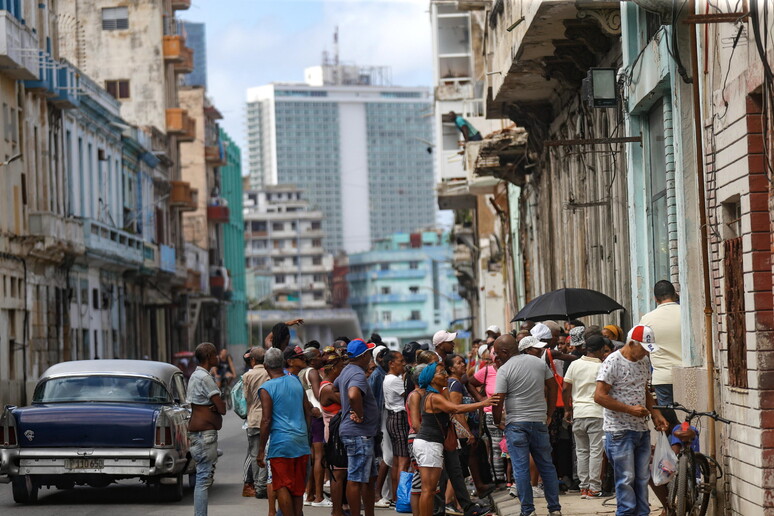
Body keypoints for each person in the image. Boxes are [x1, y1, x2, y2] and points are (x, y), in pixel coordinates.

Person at [594, 325, 669, 516]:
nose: (645, 353)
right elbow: (599, 396)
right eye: (643, 348)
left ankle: (642, 513)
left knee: (642, 477)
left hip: (641, 429)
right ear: (632, 343)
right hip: (619, 430)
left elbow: (644, 391)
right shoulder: (613, 362)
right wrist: (629, 409)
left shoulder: (643, 362)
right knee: (626, 479)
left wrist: (656, 414)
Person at [413, 362, 499, 516]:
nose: (445, 375)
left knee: (430, 489)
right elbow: (455, 408)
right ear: (431, 379)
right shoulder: (433, 397)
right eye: (441, 373)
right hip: (428, 445)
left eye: (445, 371)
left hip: (433, 444)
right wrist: (483, 403)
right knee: (429, 489)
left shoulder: (438, 393)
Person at [493, 335, 562, 516]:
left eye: (498, 353)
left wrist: (496, 420)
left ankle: (528, 511)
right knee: (546, 466)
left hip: (516, 424)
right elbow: (553, 386)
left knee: (521, 468)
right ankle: (554, 509)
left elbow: (498, 399)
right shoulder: (538, 363)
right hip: (539, 421)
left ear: (506, 351)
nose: (497, 356)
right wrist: (549, 413)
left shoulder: (504, 369)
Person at [257, 348, 312, 516]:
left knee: (281, 486)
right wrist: (306, 436)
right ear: (282, 363)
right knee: (297, 487)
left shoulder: (266, 388)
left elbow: (266, 420)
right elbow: (307, 411)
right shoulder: (295, 380)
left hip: (281, 445)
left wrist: (260, 451)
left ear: (266, 366)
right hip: (301, 442)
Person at [335, 338, 379, 516]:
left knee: (368, 478)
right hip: (358, 433)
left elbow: (333, 388)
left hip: (361, 433)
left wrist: (348, 406)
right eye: (368, 353)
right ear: (364, 355)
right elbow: (353, 395)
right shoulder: (357, 374)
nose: (370, 357)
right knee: (356, 479)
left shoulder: (347, 371)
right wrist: (357, 412)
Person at [562, 335, 608, 499]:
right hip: (596, 413)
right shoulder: (602, 366)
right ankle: (594, 488)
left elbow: (565, 388)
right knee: (596, 451)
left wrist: (568, 410)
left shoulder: (574, 364)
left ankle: (584, 487)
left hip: (579, 413)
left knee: (581, 452)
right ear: (601, 349)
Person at [445, 353, 494, 500]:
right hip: (462, 434)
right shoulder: (455, 384)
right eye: (459, 363)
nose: (463, 364)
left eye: (463, 361)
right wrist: (468, 433)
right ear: (451, 368)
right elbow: (456, 412)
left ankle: (461, 500)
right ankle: (451, 501)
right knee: (459, 468)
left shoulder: (460, 382)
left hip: (466, 432)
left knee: (465, 464)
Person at [187, 342, 226, 516]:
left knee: (201, 477)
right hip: (205, 436)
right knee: (203, 479)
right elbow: (222, 408)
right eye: (215, 354)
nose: (218, 357)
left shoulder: (195, 376)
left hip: (198, 436)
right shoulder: (205, 378)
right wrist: (216, 407)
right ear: (209, 356)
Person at [638, 280, 681, 431]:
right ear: (675, 295)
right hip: (687, 375)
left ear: (655, 299)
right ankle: (686, 446)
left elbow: (642, 348)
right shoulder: (686, 313)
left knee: (668, 423)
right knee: (690, 418)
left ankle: (675, 448)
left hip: (662, 377)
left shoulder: (647, 319)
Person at [468, 343, 505, 484]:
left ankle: (512, 479)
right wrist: (481, 399)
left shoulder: (511, 369)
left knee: (511, 445)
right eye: (495, 355)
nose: (498, 358)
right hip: (491, 414)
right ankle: (500, 480)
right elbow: (469, 383)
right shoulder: (487, 370)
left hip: (512, 413)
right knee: (496, 446)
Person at [299, 347, 329, 507]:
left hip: (308, 417)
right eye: (318, 356)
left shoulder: (302, 372)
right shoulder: (313, 372)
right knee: (319, 457)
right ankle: (319, 497)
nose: (322, 358)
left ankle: (309, 494)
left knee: (311, 457)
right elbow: (319, 395)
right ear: (311, 360)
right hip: (318, 416)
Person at [319, 349, 348, 516]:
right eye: (340, 367)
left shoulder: (330, 386)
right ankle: (336, 511)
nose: (342, 370)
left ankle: (341, 508)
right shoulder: (329, 389)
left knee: (340, 472)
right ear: (332, 369)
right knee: (337, 474)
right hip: (334, 434)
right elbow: (348, 400)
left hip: (335, 432)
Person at [242, 347, 270, 499]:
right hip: (267, 418)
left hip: (253, 419)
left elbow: (246, 397)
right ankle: (262, 486)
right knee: (266, 452)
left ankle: (258, 486)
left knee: (254, 454)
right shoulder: (269, 373)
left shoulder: (247, 375)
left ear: (252, 360)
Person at [383, 351, 410, 504]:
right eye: (400, 361)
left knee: (397, 459)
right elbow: (407, 395)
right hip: (399, 418)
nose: (403, 364)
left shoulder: (389, 378)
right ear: (391, 363)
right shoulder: (394, 380)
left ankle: (395, 495)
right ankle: (401, 497)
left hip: (393, 418)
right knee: (403, 460)